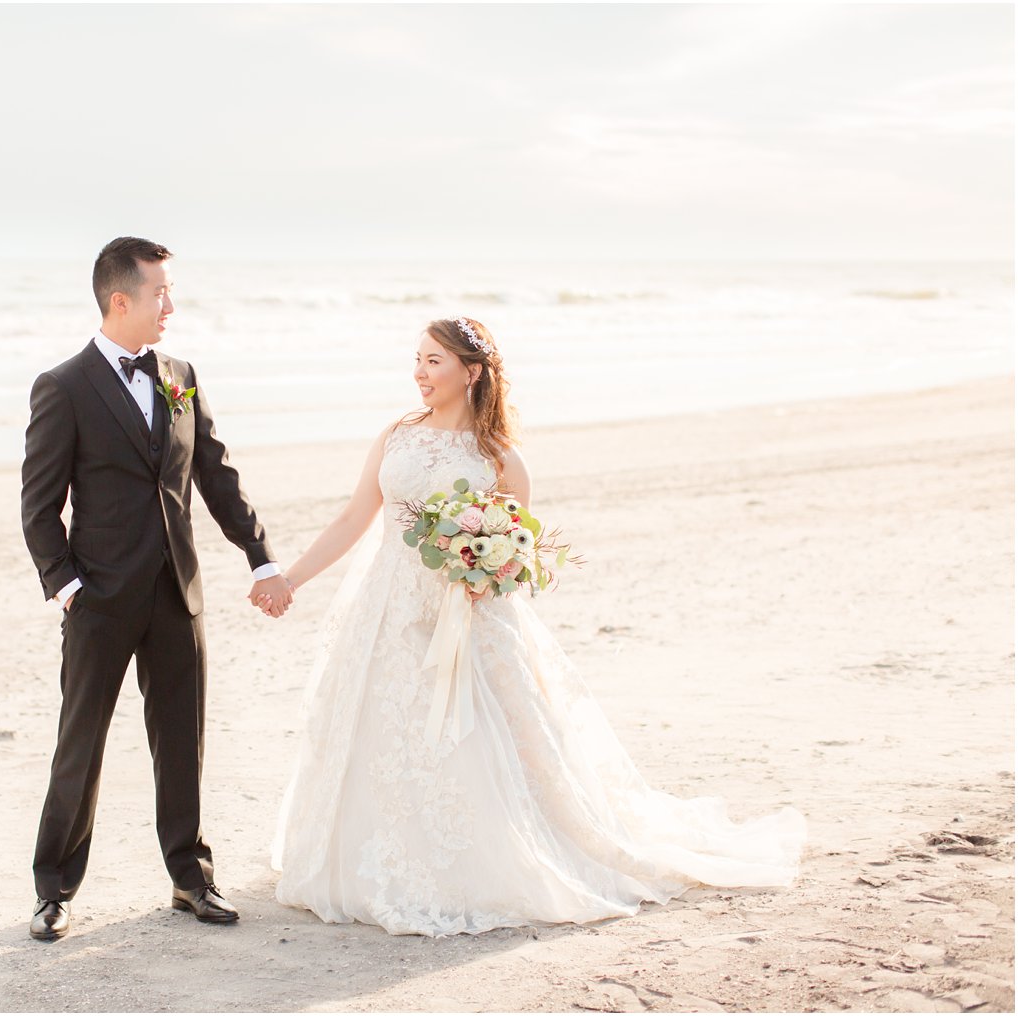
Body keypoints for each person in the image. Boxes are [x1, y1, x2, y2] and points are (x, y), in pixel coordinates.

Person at [264, 316, 807, 937]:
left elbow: (514, 549)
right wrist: (291, 578)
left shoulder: (499, 458)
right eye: (416, 359)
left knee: (476, 734)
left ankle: (477, 863)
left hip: (467, 615)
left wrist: (474, 571)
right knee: (380, 724)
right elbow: (355, 517)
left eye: (434, 361)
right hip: (389, 607)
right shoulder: (394, 435)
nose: (419, 372)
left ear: (472, 372)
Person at [20, 237, 293, 941]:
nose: (170, 304)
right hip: (100, 602)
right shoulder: (64, 386)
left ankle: (190, 877)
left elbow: (216, 476)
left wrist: (259, 558)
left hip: (178, 593)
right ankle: (53, 890)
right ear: (121, 300)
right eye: (160, 293)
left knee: (182, 741)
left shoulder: (181, 374)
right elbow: (38, 505)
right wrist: (68, 587)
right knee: (79, 744)